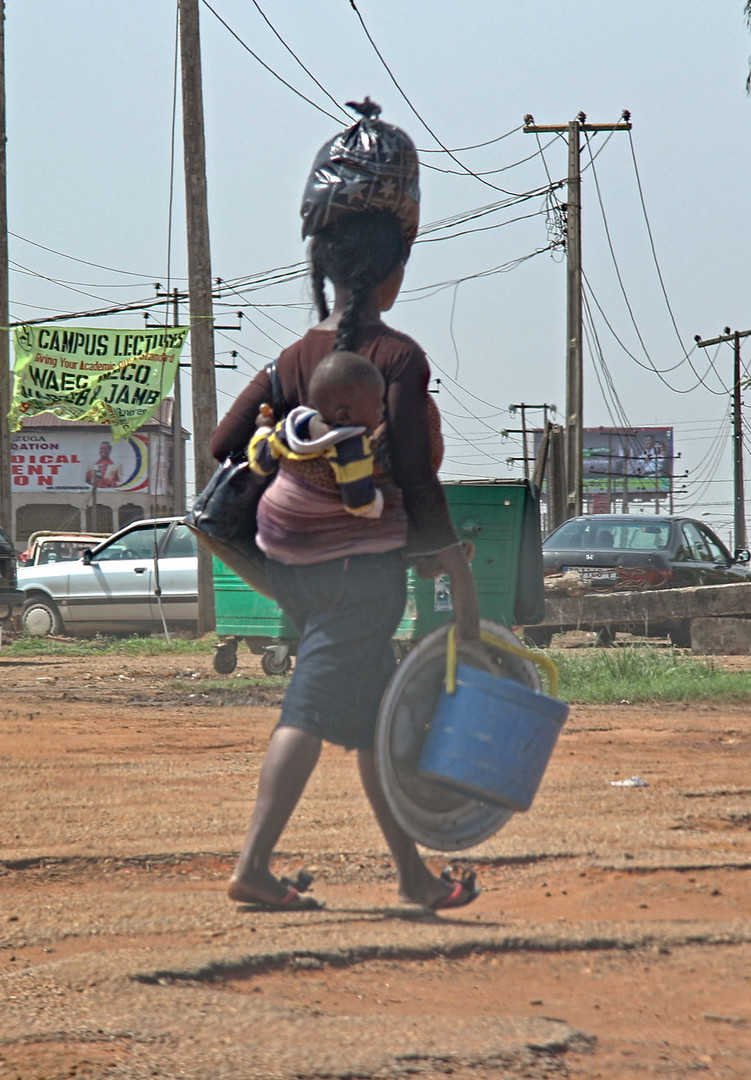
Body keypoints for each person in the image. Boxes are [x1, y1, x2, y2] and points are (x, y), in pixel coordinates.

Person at [210, 202, 482, 913]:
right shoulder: (396, 359)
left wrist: (291, 452)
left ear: (326, 273)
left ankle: (413, 875)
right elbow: (419, 478)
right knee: (307, 708)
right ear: (391, 277)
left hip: (289, 570)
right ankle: (251, 865)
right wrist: (452, 565)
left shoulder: (293, 360)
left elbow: (221, 445)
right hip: (360, 571)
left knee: (371, 721)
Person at [247, 352, 387, 522]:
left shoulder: (287, 429)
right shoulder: (351, 446)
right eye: (377, 405)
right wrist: (384, 499)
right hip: (316, 532)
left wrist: (263, 429)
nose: (382, 411)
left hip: (273, 521)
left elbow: (260, 462)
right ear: (344, 416)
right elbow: (358, 503)